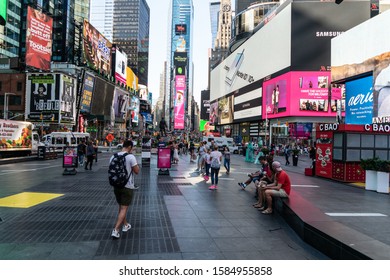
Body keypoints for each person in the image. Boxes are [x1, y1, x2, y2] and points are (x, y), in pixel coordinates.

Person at [110, 140, 140, 239]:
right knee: (124, 208)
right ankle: (116, 230)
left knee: (121, 207)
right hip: (127, 186)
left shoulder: (113, 156)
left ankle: (126, 225)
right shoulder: (130, 157)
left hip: (116, 185)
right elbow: (137, 171)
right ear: (130, 147)